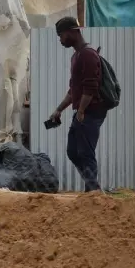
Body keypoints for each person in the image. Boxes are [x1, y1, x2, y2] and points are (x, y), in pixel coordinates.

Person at [50, 17, 106, 192]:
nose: (60, 40)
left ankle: (93, 191)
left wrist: (81, 110)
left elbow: (91, 86)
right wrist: (59, 109)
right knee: (73, 151)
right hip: (83, 111)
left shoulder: (88, 54)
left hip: (91, 111)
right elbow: (73, 90)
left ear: (73, 32)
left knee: (85, 153)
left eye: (62, 35)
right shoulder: (77, 56)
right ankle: (93, 187)